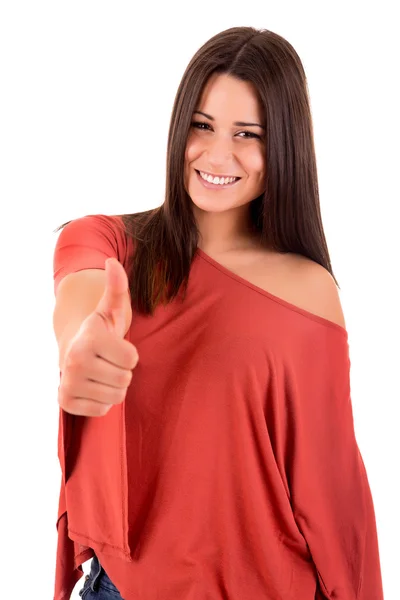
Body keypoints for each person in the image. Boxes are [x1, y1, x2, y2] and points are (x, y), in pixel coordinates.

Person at [52, 26, 384, 600]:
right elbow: (80, 298)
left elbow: (332, 491)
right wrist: (82, 346)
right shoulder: (112, 243)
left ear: (282, 147)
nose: (217, 153)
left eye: (247, 134)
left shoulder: (309, 290)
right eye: (202, 125)